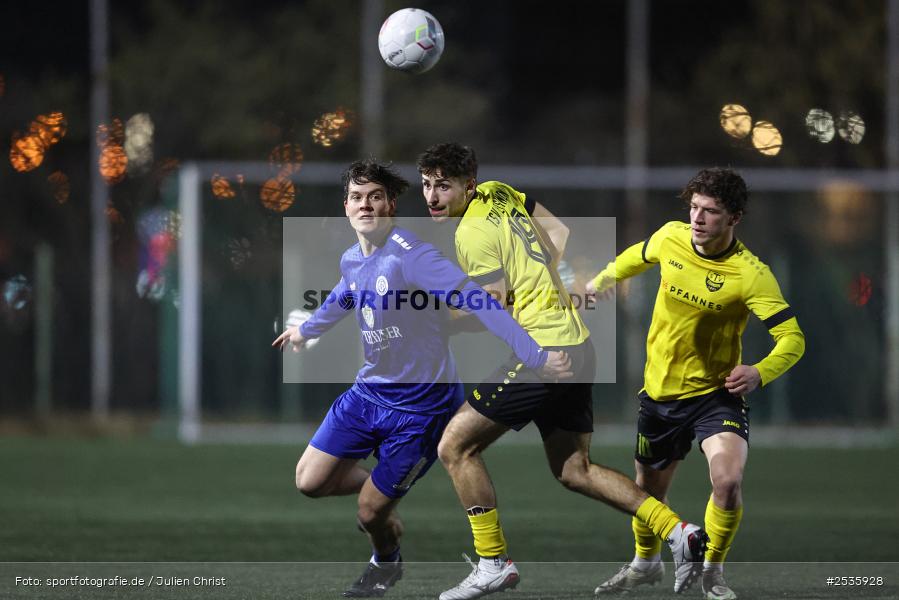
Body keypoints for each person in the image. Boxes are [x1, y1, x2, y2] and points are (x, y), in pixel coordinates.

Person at [417, 142, 709, 600]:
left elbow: (494, 305)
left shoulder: (469, 234)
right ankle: (680, 533)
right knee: (575, 469)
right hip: (577, 342)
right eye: (427, 185)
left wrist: (442, 324)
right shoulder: (498, 191)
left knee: (455, 447)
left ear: (467, 185)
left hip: (545, 351)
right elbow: (557, 231)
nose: (432, 196)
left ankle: (493, 562)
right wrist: (539, 282)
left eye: (444, 186)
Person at [272, 159, 571, 598]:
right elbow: (344, 293)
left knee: (370, 514)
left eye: (376, 196)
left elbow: (481, 303)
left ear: (391, 205)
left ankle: (385, 562)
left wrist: (536, 356)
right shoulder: (353, 257)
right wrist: (306, 330)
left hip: (421, 411)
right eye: (357, 197)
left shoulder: (412, 257)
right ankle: (385, 488)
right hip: (368, 394)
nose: (366, 205)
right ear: (346, 207)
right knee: (309, 481)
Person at [588, 168, 805, 600]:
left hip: (715, 397)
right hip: (660, 394)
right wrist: (601, 282)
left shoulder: (750, 274)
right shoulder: (670, 237)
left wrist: (760, 371)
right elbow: (638, 255)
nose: (698, 219)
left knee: (727, 481)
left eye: (711, 211)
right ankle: (643, 565)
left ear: (734, 218)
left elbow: (793, 338)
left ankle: (712, 574)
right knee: (649, 494)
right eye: (694, 208)